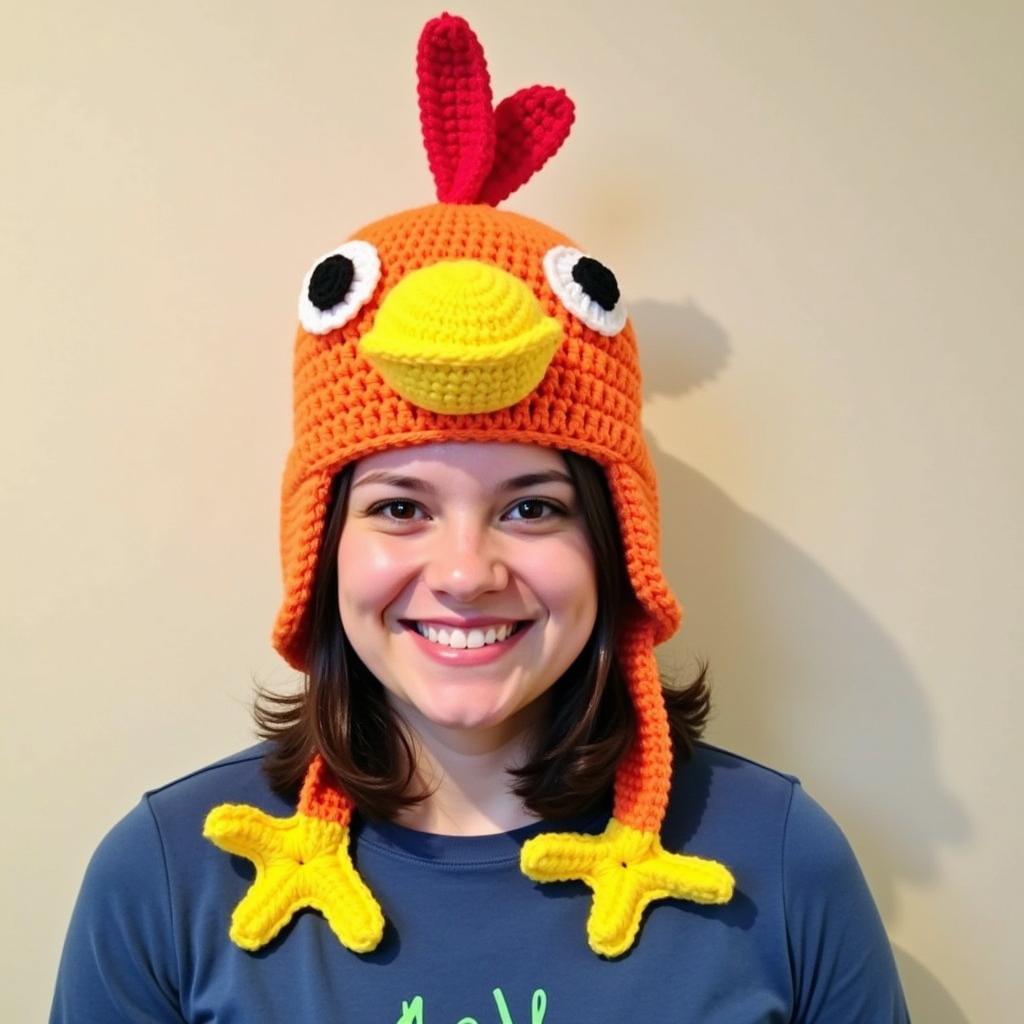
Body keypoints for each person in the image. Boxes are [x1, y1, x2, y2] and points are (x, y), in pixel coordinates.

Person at [49, 12, 911, 1023]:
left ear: (615, 541)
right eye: (402, 505)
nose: (464, 570)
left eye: (534, 507)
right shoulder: (167, 878)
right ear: (322, 541)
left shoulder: (779, 862)